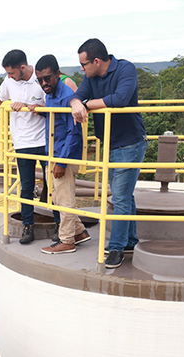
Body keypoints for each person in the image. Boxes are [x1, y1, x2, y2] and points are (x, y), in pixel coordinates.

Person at [70, 38, 148, 269]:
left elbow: (120, 100)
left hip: (130, 143)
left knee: (120, 198)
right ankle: (130, 241)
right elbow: (77, 96)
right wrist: (76, 102)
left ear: (96, 61)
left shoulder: (125, 68)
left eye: (84, 65)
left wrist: (86, 104)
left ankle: (116, 248)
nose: (82, 69)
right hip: (110, 145)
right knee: (124, 196)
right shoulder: (90, 77)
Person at [0, 49, 46, 244]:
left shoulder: (40, 79)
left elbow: (51, 105)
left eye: (12, 73)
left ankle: (58, 223)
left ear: (23, 68)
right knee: (26, 186)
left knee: (53, 184)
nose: (9, 77)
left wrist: (33, 107)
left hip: (43, 140)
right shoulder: (9, 82)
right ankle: (28, 226)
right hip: (22, 142)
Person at [32, 54, 91, 254]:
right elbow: (55, 118)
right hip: (53, 152)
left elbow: (73, 132)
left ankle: (67, 240)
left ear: (58, 74)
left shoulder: (66, 96)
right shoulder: (51, 94)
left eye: (47, 78)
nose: (43, 83)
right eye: (39, 80)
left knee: (64, 199)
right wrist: (41, 110)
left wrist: (61, 162)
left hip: (63, 155)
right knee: (56, 196)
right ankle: (80, 232)